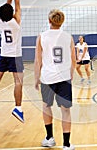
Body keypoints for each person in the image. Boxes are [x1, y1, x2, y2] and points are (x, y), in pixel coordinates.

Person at [34, 9, 76, 150]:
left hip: (47, 77)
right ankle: (66, 144)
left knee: (46, 107)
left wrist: (36, 78)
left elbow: (38, 61)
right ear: (61, 21)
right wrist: (70, 75)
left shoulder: (42, 36)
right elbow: (73, 60)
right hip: (64, 78)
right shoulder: (68, 37)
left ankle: (49, 138)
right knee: (66, 111)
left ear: (49, 20)